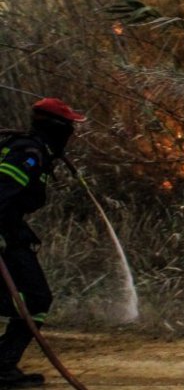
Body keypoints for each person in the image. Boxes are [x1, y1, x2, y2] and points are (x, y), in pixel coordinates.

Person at [0, 97, 86, 388]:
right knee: (36, 298)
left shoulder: (34, 150)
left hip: (10, 232)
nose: (71, 133)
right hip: (5, 236)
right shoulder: (28, 153)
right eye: (69, 126)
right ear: (57, 127)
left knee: (32, 299)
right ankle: (2, 367)